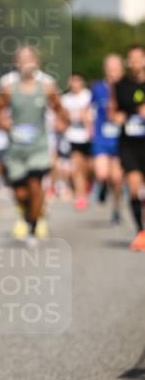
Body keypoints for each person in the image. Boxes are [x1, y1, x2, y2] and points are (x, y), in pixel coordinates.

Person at [0, 46, 68, 244]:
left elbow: (60, 110)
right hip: (16, 147)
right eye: (23, 58)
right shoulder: (9, 87)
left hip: (39, 145)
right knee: (21, 192)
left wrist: (63, 122)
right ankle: (32, 214)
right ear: (16, 63)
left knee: (36, 184)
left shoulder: (46, 86)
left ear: (37, 62)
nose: (27, 62)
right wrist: (2, 122)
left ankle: (33, 226)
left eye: (30, 58)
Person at [109, 44, 145, 251]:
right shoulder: (121, 84)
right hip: (129, 144)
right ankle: (140, 231)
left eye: (138, 58)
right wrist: (118, 117)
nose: (134, 62)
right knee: (133, 188)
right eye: (131, 59)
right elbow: (112, 112)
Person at [90, 54, 124, 224]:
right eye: (109, 68)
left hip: (120, 138)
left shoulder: (126, 87)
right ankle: (101, 187)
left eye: (116, 68)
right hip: (102, 136)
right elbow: (89, 108)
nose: (112, 72)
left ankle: (116, 208)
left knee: (116, 178)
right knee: (102, 173)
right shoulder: (97, 87)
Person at [61, 73, 93, 210]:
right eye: (72, 81)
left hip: (89, 137)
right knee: (77, 166)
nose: (74, 84)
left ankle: (89, 185)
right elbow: (61, 117)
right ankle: (81, 196)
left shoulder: (88, 95)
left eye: (77, 81)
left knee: (90, 167)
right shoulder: (65, 99)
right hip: (73, 136)